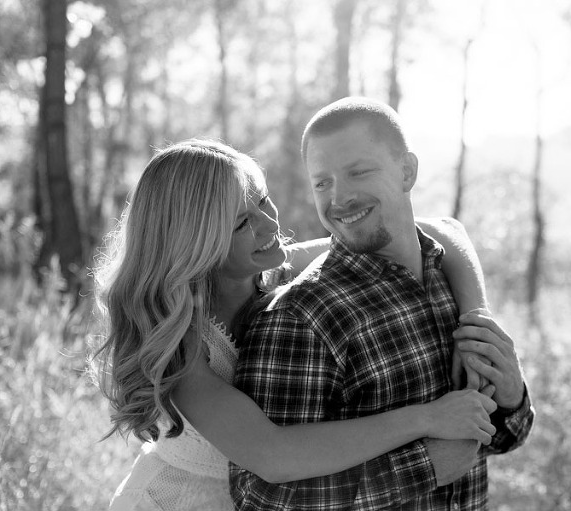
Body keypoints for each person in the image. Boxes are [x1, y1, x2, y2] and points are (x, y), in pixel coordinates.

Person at [91, 139, 499, 510]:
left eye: (263, 201)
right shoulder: (183, 341)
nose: (269, 226)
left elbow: (442, 231)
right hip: (180, 501)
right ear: (193, 241)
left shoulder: (276, 268)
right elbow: (274, 456)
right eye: (240, 223)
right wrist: (427, 417)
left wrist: (476, 328)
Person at [230, 98, 535, 510]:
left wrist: (513, 398)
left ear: (407, 171)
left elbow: (491, 440)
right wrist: (422, 467)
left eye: (359, 172)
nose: (340, 199)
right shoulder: (301, 317)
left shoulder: (449, 281)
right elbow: (259, 499)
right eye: (323, 183)